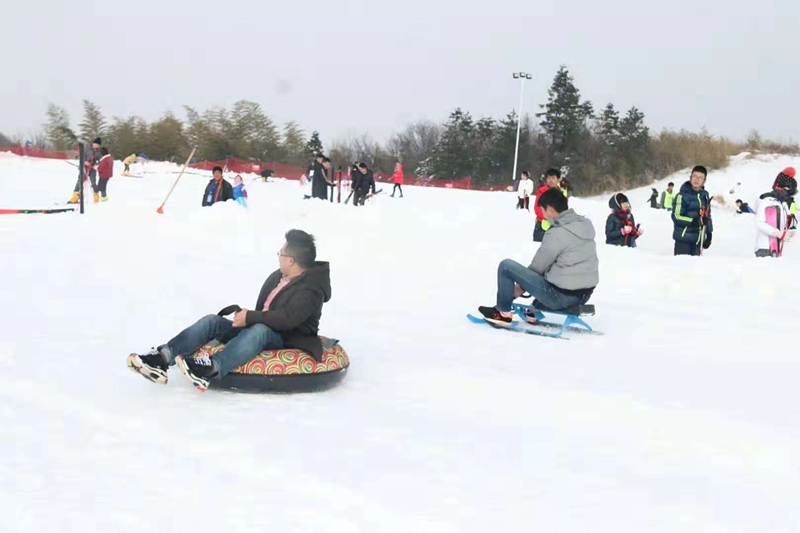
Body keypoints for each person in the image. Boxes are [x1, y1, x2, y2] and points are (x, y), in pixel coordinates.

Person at [127, 230, 331, 392]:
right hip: (263, 327)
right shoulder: (280, 276)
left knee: (260, 330)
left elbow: (288, 319)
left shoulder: (311, 289)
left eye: (281, 254)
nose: (278, 258)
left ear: (291, 260)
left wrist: (250, 318)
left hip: (287, 338)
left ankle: (210, 368)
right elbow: (268, 311)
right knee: (212, 321)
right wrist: (246, 317)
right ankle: (162, 358)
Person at [478, 188, 599, 325]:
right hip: (584, 295)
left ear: (549, 209)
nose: (542, 213)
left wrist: (521, 287)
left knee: (506, 267)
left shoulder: (557, 233)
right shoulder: (586, 225)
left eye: (542, 210)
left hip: (562, 298)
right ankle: (533, 311)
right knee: (559, 270)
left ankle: (502, 313)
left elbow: (538, 267)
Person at [754, 167, 797, 258]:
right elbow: (759, 223)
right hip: (764, 248)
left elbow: (788, 222)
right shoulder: (767, 200)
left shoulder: (784, 204)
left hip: (777, 249)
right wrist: (779, 233)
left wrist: (787, 232)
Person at [672, 165, 713, 256]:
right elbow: (676, 216)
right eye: (695, 176)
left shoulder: (705, 196)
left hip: (698, 240)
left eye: (700, 178)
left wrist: (709, 234)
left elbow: (707, 216)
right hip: (683, 240)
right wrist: (695, 221)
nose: (697, 180)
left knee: (696, 269)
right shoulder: (681, 196)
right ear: (690, 177)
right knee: (682, 269)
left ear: (704, 180)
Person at [68, 137, 102, 204]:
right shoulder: (86, 148)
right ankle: (75, 197)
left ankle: (96, 198)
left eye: (98, 145)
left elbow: (101, 160)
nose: (96, 146)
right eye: (96, 144)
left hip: (92, 169)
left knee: (93, 182)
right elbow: (79, 156)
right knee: (80, 181)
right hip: (84, 167)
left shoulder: (99, 152)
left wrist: (97, 165)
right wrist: (84, 162)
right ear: (93, 143)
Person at [532, 168, 562, 242]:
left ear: (558, 179)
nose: (550, 180)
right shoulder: (541, 191)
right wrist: (548, 217)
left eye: (553, 178)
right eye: (548, 178)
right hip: (542, 226)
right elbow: (537, 208)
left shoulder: (562, 193)